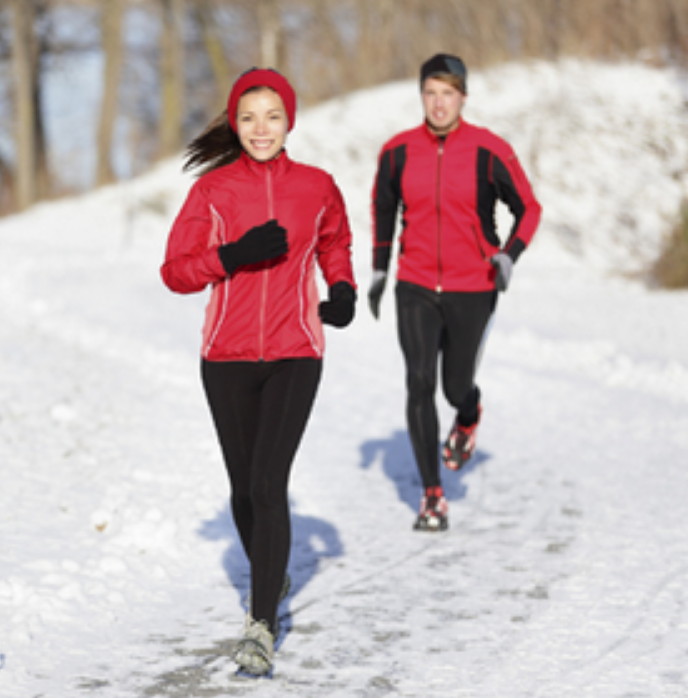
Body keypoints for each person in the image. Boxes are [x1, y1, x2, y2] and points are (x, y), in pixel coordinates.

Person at [161, 68, 356, 676]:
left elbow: (335, 243)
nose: (260, 128)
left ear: (289, 120)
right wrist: (234, 255)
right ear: (235, 124)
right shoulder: (213, 192)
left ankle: (261, 623)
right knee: (244, 489)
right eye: (248, 118)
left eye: (272, 116)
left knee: (270, 483)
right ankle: (274, 572)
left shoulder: (317, 186)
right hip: (226, 357)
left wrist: (343, 289)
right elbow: (175, 271)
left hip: (297, 351)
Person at [369, 53, 541, 532]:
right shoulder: (398, 152)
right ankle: (432, 495)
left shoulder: (489, 150)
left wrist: (508, 255)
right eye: (430, 93)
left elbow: (529, 208)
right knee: (419, 382)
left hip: (473, 286)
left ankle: (467, 413)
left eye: (447, 93)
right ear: (421, 96)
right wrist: (381, 271)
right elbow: (384, 208)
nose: (438, 103)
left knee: (454, 386)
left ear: (463, 96)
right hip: (416, 284)